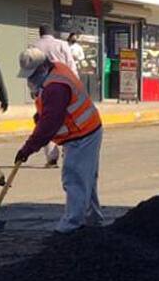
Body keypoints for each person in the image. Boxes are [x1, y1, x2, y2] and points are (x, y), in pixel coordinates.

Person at [15, 47, 105, 233]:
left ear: (42, 69)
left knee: (74, 178)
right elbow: (50, 113)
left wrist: (27, 149)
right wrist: (40, 116)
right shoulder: (56, 69)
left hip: (82, 135)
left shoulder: (55, 87)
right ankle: (93, 220)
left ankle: (71, 226)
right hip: (86, 130)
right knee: (86, 178)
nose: (30, 80)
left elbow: (49, 124)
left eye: (32, 75)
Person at [31, 25, 75, 167]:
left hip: (43, 90)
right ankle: (68, 153)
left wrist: (34, 90)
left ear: (40, 33)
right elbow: (71, 65)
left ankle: (51, 158)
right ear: (53, 33)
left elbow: (30, 71)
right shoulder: (62, 45)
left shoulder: (33, 47)